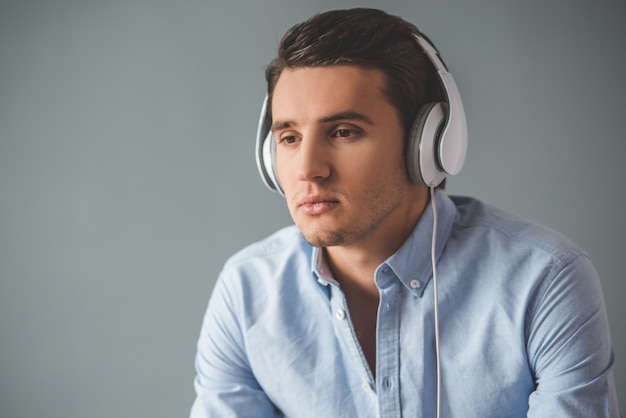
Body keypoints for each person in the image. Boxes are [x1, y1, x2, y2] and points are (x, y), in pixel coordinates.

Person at [190, 8, 619, 418]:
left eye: (343, 132)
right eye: (288, 137)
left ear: (429, 144)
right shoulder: (245, 291)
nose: (306, 169)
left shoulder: (544, 280)